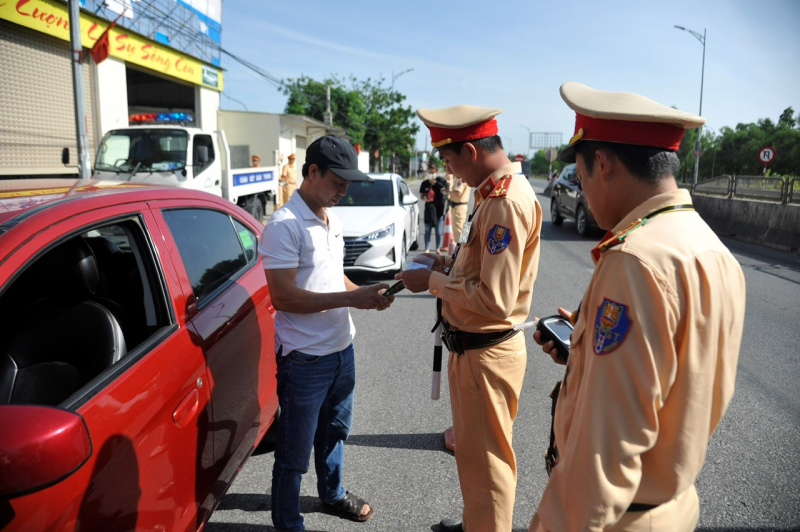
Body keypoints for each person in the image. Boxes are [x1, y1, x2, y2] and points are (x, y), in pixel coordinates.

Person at [528, 82, 746, 532]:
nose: (582, 189)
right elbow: (672, 375)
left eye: (582, 175)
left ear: (603, 164)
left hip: (617, 518)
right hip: (674, 506)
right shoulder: (711, 248)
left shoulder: (634, 260)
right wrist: (582, 351)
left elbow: (603, 454)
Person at [397, 104, 542, 532]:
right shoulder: (490, 194)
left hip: (486, 353)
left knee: (488, 466)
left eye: (449, 160)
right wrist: (444, 261)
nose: (450, 171)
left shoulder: (504, 203)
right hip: (475, 351)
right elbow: (479, 267)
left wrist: (433, 282)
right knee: (478, 462)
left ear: (471, 153)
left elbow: (495, 299)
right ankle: (477, 524)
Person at [260, 135, 394, 532]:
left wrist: (365, 294)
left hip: (340, 351)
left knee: (336, 431)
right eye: (338, 181)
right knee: (294, 451)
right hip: (304, 359)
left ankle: (332, 493)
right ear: (312, 171)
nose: (344, 191)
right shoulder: (284, 225)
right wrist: (350, 299)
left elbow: (334, 280)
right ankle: (287, 520)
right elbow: (283, 297)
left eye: (348, 184)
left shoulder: (329, 217)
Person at [419, 165, 448, 252]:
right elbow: (422, 195)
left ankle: (437, 248)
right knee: (427, 230)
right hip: (429, 210)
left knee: (438, 232)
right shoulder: (424, 183)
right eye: (430, 173)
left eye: (433, 173)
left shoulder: (442, 181)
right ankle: (427, 248)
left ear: (437, 172)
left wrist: (436, 184)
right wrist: (425, 199)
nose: (431, 174)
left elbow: (444, 191)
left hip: (439, 210)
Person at [446, 173, 470, 244]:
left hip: (459, 206)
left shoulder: (460, 178)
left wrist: (447, 192)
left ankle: (462, 248)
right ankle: (463, 248)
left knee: (459, 229)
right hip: (459, 206)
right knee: (461, 228)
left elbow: (458, 192)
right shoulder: (463, 176)